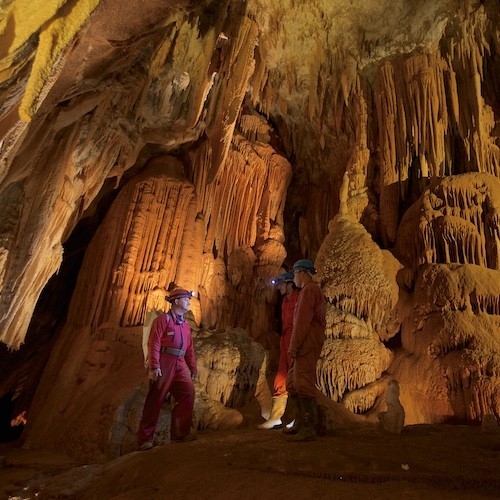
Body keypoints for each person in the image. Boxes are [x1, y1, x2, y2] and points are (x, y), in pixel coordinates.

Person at [137, 287, 198, 450]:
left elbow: (189, 349)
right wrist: (154, 366)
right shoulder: (162, 320)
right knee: (156, 398)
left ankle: (180, 434)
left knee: (188, 393)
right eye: (186, 299)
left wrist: (193, 368)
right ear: (176, 301)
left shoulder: (185, 325)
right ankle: (145, 439)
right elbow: (154, 343)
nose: (189, 302)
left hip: (180, 362)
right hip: (164, 361)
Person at [284, 259, 326, 441]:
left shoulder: (310, 290)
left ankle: (309, 427)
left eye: (295, 274)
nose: (293, 278)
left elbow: (302, 321)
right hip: (304, 342)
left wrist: (294, 345)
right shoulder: (307, 291)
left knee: (303, 382)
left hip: (307, 342)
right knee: (292, 383)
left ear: (302, 272)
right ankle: (300, 421)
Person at [258, 271, 300, 429]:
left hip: (295, 340)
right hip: (285, 341)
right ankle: (276, 416)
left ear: (289, 284)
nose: (279, 287)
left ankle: (299, 417)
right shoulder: (284, 301)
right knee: (281, 379)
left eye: (281, 284)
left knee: (296, 379)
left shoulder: (298, 298)